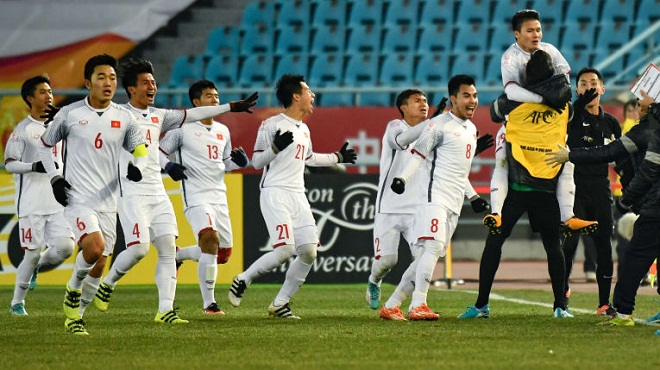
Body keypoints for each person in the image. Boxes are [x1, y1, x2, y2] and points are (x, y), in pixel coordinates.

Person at [87, 58, 257, 320]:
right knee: (139, 250)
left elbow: (193, 114)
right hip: (132, 193)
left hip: (158, 193)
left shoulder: (159, 116)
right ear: (131, 89)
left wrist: (232, 107)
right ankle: (108, 283)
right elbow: (90, 121)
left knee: (168, 250)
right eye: (146, 82)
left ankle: (165, 310)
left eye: (154, 82)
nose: (152, 86)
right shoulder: (118, 114)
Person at [227, 74, 357, 319]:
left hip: (298, 194)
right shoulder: (270, 125)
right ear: (296, 96)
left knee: (309, 251)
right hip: (274, 191)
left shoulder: (304, 129)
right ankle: (243, 279)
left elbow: (308, 158)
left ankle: (280, 303)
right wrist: (274, 148)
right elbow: (256, 162)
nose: (313, 96)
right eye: (309, 91)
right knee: (285, 249)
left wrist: (337, 158)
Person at [37, 54, 147, 335]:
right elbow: (46, 145)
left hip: (109, 201)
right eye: (101, 77)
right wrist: (55, 179)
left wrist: (138, 167)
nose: (108, 82)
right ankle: (72, 289)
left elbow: (140, 150)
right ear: (88, 82)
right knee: (94, 247)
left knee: (99, 264)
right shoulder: (70, 114)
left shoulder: (125, 117)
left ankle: (76, 317)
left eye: (112, 78)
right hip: (78, 197)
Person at [460, 50, 574, 319]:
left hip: (515, 188)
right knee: (553, 247)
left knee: (495, 243)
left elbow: (495, 111)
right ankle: (561, 307)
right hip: (546, 188)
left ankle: (481, 305)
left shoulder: (510, 104)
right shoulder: (563, 107)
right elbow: (566, 114)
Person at [386, 75, 486, 321]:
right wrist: (402, 179)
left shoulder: (471, 130)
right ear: (453, 99)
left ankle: (392, 304)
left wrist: (473, 197)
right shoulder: (437, 125)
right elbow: (418, 155)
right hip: (433, 198)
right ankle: (418, 304)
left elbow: (459, 171)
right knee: (431, 247)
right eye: (466, 96)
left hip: (453, 203)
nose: (472, 101)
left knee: (423, 258)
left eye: (474, 95)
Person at [492, 9, 597, 235]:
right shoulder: (510, 57)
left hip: (546, 123)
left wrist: (555, 101)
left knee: (566, 159)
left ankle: (568, 216)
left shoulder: (550, 50)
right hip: (521, 121)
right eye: (530, 30)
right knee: (501, 156)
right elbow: (511, 91)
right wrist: (544, 100)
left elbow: (565, 84)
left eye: (538, 29)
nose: (536, 34)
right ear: (516, 34)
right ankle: (496, 213)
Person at [160, 79, 249, 315]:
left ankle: (179, 254)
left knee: (222, 254)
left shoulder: (223, 130)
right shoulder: (181, 129)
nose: (215, 99)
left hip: (219, 196)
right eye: (209, 96)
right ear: (196, 102)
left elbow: (226, 162)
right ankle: (209, 304)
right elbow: (157, 151)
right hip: (196, 196)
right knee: (209, 238)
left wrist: (239, 162)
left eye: (217, 95)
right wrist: (168, 166)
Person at [6, 75, 75, 316]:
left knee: (66, 247)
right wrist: (33, 166)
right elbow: (9, 164)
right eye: (43, 92)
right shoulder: (23, 130)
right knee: (32, 252)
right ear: (30, 98)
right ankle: (17, 303)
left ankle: (37, 267)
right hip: (32, 203)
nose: (49, 96)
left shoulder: (60, 126)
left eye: (50, 91)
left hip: (58, 201)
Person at [561, 68, 621, 317]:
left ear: (603, 88)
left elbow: (621, 157)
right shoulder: (570, 115)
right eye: (583, 84)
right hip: (573, 189)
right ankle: (561, 295)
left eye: (593, 83)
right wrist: (576, 106)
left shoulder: (611, 123)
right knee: (570, 244)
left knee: (604, 245)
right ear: (577, 90)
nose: (589, 87)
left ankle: (604, 303)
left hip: (600, 189)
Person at [607, 98, 660, 327]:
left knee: (635, 258)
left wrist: (626, 201)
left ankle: (622, 312)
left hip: (655, 207)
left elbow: (647, 173)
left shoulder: (652, 132)